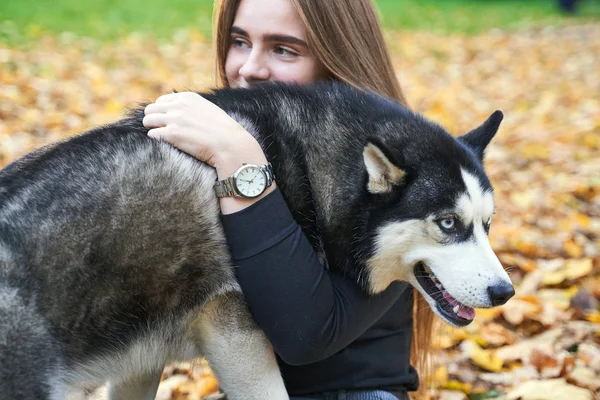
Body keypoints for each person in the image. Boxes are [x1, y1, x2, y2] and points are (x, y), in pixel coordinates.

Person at [142, 0, 437, 398]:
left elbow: (305, 336)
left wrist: (240, 162)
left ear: (336, 63)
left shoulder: (398, 171)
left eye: (284, 49)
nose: (249, 69)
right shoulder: (219, 142)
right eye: (239, 41)